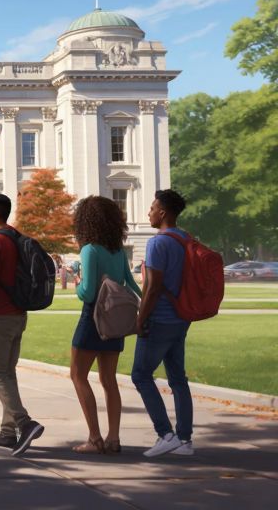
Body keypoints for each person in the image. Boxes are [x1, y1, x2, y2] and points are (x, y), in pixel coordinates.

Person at [0, 194, 46, 456]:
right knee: (7, 372)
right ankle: (7, 432)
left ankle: (25, 424)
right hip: (18, 313)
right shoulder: (15, 237)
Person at [69, 196, 141, 455]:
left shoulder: (89, 249)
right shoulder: (117, 251)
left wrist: (76, 281)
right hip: (115, 320)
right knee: (109, 380)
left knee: (78, 375)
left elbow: (87, 294)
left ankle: (94, 438)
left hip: (92, 318)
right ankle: (114, 438)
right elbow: (131, 286)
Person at [133, 189, 196, 458]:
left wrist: (140, 318)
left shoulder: (158, 243)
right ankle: (184, 440)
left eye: (152, 207)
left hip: (159, 318)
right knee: (178, 379)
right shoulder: (185, 239)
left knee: (141, 375)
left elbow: (153, 287)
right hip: (181, 317)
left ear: (163, 212)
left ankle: (165, 434)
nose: (148, 212)